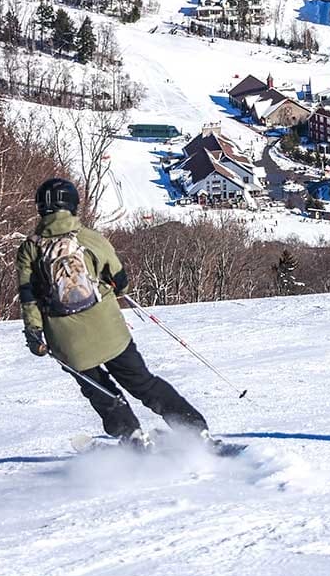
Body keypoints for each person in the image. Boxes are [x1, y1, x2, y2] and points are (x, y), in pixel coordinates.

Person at [18, 177, 208, 449]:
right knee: (143, 383)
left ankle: (131, 435)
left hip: (67, 343)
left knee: (101, 392)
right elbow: (121, 280)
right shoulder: (89, 238)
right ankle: (193, 429)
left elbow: (28, 297)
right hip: (110, 332)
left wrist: (34, 333)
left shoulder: (29, 249)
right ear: (72, 205)